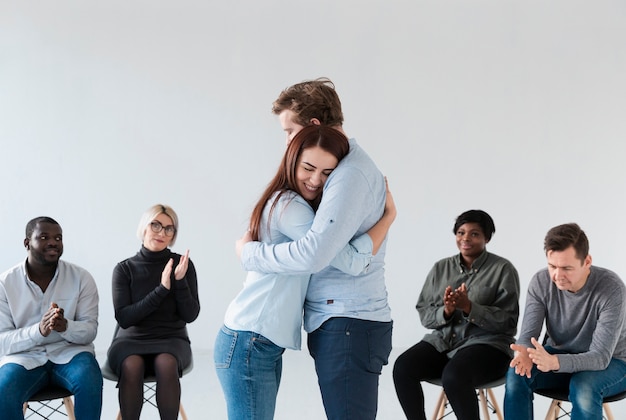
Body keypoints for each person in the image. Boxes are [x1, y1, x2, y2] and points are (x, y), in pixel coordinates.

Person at [236, 78, 393, 420]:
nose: (287, 140)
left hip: (349, 322)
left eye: (289, 130)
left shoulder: (348, 174)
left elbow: (315, 253)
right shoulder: (337, 169)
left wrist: (251, 255)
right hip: (344, 322)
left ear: (313, 127)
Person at [393, 209, 520, 420]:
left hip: (488, 344)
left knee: (454, 376)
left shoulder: (503, 269)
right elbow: (425, 314)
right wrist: (447, 311)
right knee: (403, 368)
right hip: (444, 342)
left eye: (474, 234)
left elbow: (508, 322)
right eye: (461, 233)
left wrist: (470, 307)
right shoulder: (440, 268)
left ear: (487, 237)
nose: (465, 239)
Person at [504, 223, 626, 420]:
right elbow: (528, 335)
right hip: (560, 356)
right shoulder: (541, 282)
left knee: (583, 386)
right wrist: (524, 351)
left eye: (566, 268)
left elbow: (600, 357)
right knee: (517, 373)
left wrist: (555, 362)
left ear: (587, 261)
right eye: (552, 266)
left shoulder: (611, 289)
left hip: (614, 362)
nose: (557, 276)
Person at [0, 216, 102, 420]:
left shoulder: (81, 278)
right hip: (24, 358)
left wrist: (66, 327)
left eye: (58, 237)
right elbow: (2, 341)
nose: (53, 242)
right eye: (44, 237)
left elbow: (90, 330)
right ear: (27, 243)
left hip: (71, 354)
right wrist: (38, 331)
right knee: (3, 387)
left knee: (90, 378)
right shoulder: (5, 284)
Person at [107, 204, 200, 420]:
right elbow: (124, 318)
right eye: (155, 225)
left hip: (172, 339)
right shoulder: (124, 269)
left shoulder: (182, 265)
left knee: (166, 363)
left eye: (169, 229)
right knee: (132, 365)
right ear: (144, 227)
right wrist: (161, 290)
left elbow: (190, 315)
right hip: (131, 340)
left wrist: (179, 282)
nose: (161, 233)